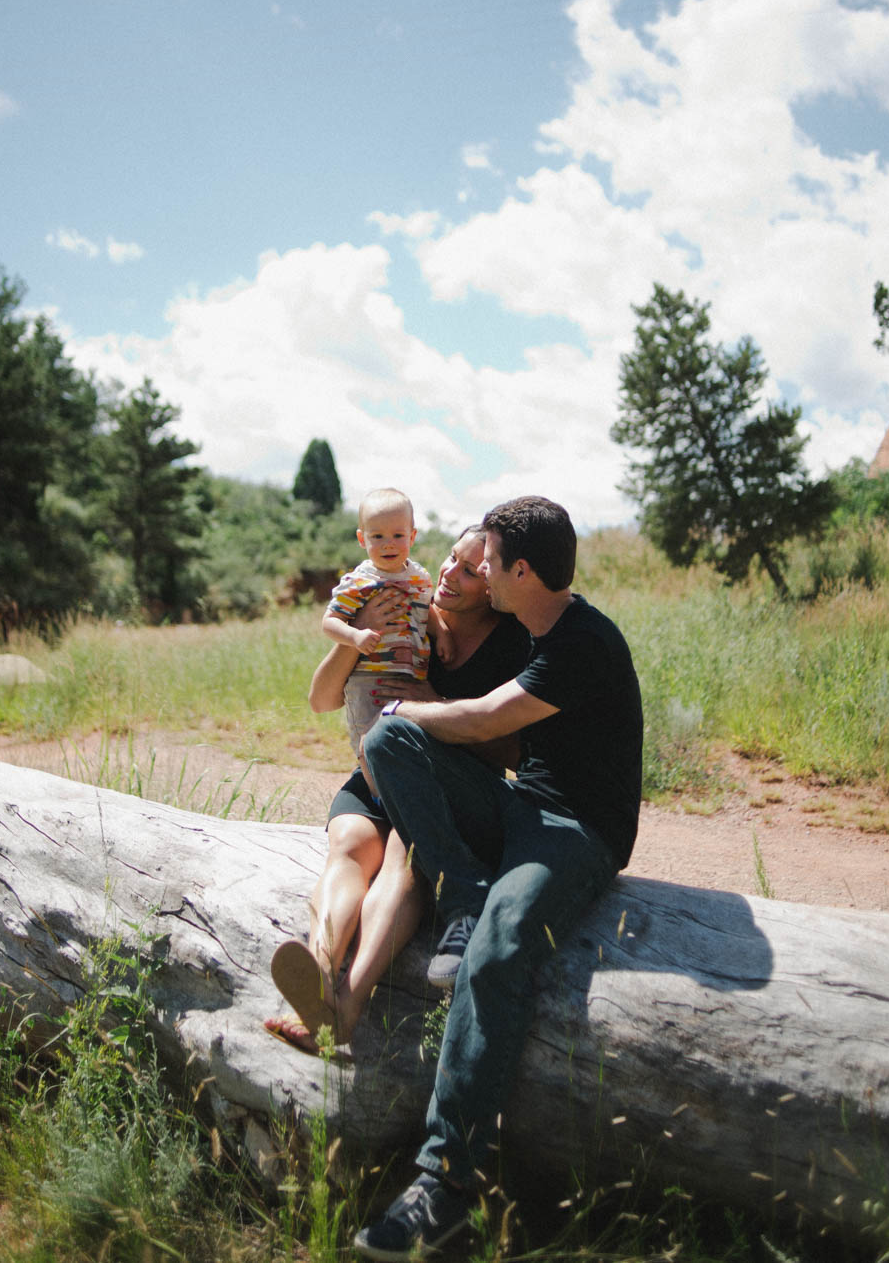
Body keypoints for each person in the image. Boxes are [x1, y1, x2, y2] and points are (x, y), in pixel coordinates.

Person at [353, 495, 643, 1262]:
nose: (473, 569)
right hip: (524, 808)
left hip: (578, 832)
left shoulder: (584, 641)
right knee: (390, 747)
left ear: (520, 571)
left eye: (485, 560)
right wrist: (401, 723)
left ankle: (445, 1183)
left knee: (499, 948)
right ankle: (462, 888)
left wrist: (410, 713)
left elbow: (484, 721)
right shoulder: (532, 627)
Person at [264, 526, 528, 1055]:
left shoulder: (511, 644)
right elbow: (320, 700)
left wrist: (434, 705)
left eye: (472, 571)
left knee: (399, 861)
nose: (450, 574)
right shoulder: (402, 604)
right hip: (372, 777)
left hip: (436, 790)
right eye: (451, 558)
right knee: (348, 847)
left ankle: (348, 1003)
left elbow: (513, 756)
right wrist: (358, 632)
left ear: (495, 583)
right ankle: (318, 969)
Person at [321, 487, 437, 756]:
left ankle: (393, 787)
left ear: (413, 536)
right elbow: (329, 622)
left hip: (410, 672)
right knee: (368, 740)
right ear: (362, 539)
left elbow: (425, 611)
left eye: (398, 535)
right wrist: (355, 636)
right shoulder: (358, 582)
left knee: (404, 738)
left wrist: (444, 635)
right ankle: (373, 791)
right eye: (378, 536)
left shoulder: (419, 577)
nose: (389, 544)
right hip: (367, 678)